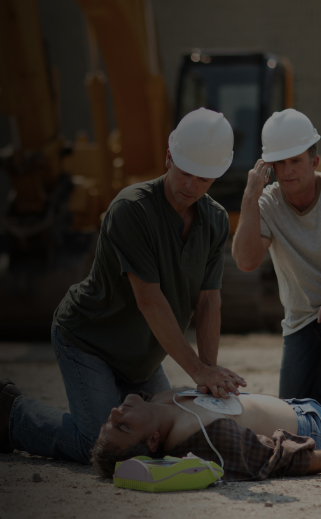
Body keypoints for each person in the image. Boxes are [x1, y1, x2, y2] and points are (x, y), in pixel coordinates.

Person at [0, 108, 246, 463]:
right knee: (99, 445)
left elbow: (208, 302)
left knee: (160, 439)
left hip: (141, 360)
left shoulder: (216, 220)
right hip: (88, 341)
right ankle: (10, 413)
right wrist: (197, 370)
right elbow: (149, 300)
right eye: (185, 172)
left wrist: (207, 376)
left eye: (203, 179)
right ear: (168, 158)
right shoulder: (131, 210)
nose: (191, 186)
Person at [232, 108, 321, 401]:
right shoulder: (268, 203)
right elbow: (246, 261)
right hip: (300, 320)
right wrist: (249, 197)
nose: (288, 170)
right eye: (280, 163)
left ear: (315, 162)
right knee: (290, 416)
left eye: (295, 161)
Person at [91, 386, 321, 481]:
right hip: (310, 429)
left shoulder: (157, 401)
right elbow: (278, 458)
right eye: (122, 426)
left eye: (108, 423)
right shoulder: (201, 437)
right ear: (153, 441)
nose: (114, 412)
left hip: (300, 405)